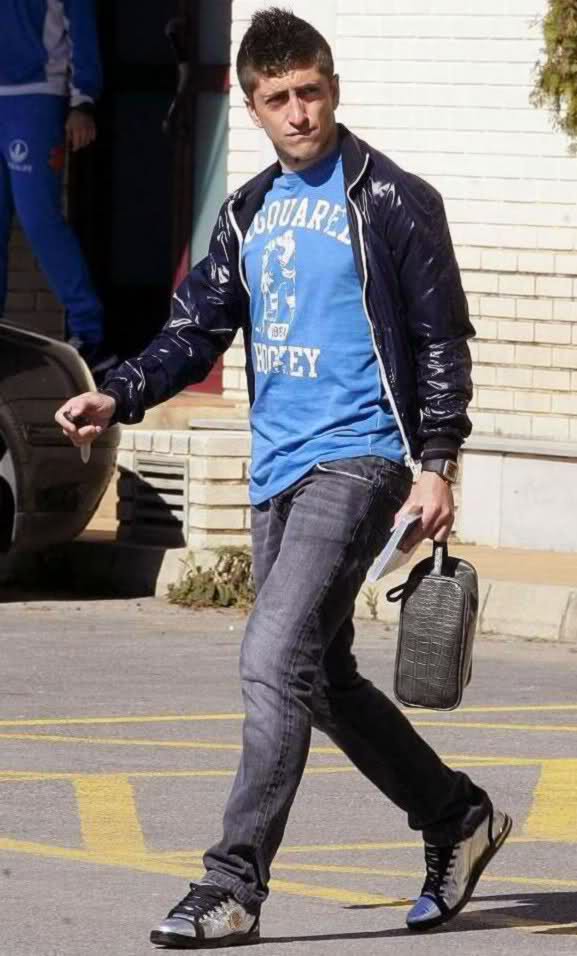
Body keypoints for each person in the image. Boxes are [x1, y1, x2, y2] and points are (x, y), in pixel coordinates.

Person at [56, 8, 511, 948]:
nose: (298, 113)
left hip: (362, 458)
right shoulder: (246, 212)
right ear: (253, 106)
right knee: (320, 677)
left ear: (332, 89)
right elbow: (195, 332)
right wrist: (118, 392)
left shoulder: (393, 200)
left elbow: (440, 340)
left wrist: (436, 464)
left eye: (309, 92)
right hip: (278, 468)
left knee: (270, 661)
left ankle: (231, 886)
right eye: (277, 99)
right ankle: (456, 816)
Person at [0, 0, 115, 378]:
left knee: (39, 220)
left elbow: (81, 23)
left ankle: (90, 336)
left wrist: (83, 101)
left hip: (36, 96)